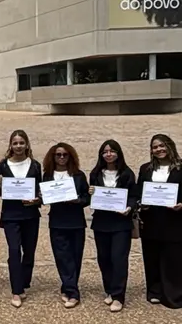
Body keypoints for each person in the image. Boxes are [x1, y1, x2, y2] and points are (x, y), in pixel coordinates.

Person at [88, 140, 137, 313]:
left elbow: (133, 196)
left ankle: (118, 296)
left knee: (119, 259)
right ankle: (109, 289)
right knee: (104, 258)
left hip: (121, 223)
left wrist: (129, 208)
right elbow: (92, 196)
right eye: (105, 152)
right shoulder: (95, 173)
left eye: (112, 151)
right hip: (101, 222)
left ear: (118, 153)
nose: (108, 154)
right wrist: (91, 192)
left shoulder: (127, 174)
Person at [0, 130, 42, 308]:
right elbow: (1, 193)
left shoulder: (35, 165)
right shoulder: (3, 166)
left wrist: (37, 200)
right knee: (14, 251)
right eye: (15, 143)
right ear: (10, 145)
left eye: (22, 143)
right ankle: (16, 289)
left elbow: (40, 190)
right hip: (11, 214)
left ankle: (23, 282)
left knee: (29, 252)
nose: (18, 146)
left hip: (30, 214)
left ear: (27, 144)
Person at [41, 143, 90, 309]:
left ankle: (68, 287)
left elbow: (87, 198)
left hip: (76, 221)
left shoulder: (78, 175)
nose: (61, 158)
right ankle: (73, 293)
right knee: (62, 257)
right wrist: (41, 196)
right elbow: (45, 197)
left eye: (65, 155)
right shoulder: (48, 176)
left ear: (70, 156)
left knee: (75, 257)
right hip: (57, 221)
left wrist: (78, 200)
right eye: (58, 155)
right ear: (53, 157)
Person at [136, 134, 182, 309]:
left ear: (170, 146)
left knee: (173, 257)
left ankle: (173, 294)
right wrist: (141, 203)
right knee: (151, 256)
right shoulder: (145, 169)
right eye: (155, 147)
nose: (159, 149)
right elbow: (139, 191)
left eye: (162, 146)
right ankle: (154, 291)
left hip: (174, 219)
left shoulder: (181, 167)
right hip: (151, 218)